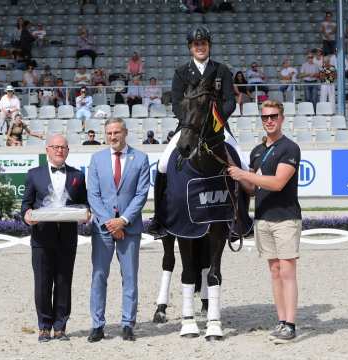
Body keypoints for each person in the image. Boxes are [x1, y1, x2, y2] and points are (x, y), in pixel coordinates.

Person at [146, 25, 241, 237]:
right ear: (191, 47)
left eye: (203, 43)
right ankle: (159, 218)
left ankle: (240, 217)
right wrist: (192, 123)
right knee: (162, 164)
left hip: (217, 127)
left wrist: (216, 123)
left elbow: (229, 102)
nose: (200, 47)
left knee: (241, 163)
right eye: (196, 44)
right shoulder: (181, 72)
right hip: (189, 127)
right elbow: (177, 104)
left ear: (209, 46)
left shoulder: (221, 70)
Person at [227, 100, 301, 344]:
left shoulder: (289, 148)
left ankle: (290, 324)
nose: (269, 120)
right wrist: (234, 174)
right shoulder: (257, 152)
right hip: (263, 218)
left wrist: (244, 174)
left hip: (286, 218)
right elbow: (252, 188)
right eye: (265, 117)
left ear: (282, 118)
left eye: (273, 116)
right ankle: (281, 321)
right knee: (275, 271)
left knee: (288, 271)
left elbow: (278, 183)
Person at [21, 134, 90, 342]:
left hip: (67, 237)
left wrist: (86, 214)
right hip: (41, 238)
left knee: (64, 281)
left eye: (63, 147)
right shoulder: (34, 174)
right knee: (42, 282)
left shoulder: (78, 175)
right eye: (55, 147)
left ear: (68, 151)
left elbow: (84, 203)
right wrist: (26, 216)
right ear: (47, 150)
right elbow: (26, 204)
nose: (59, 150)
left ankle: (60, 326)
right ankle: (44, 326)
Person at [87, 117, 150, 343]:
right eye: (109, 133)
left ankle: (127, 324)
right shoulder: (96, 159)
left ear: (125, 133)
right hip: (103, 229)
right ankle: (97, 325)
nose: (113, 137)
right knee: (99, 276)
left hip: (129, 228)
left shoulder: (141, 159)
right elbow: (93, 196)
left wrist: (122, 220)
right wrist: (109, 223)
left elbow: (141, 194)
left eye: (116, 132)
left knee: (130, 277)